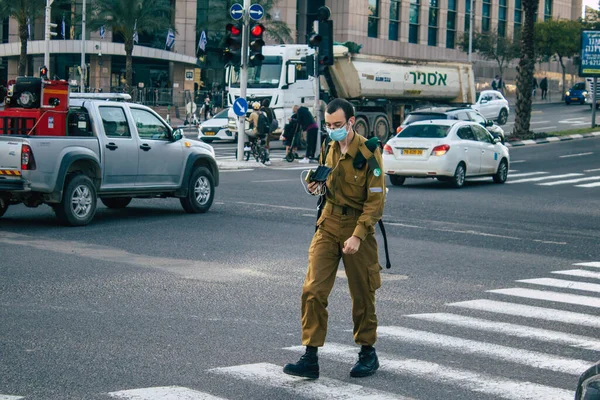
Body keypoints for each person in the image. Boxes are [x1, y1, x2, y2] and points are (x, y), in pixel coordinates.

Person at [283, 98, 386, 380]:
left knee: (362, 292)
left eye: (338, 125)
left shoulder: (369, 153)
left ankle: (367, 352)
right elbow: (326, 181)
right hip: (328, 222)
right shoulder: (329, 146)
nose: (332, 130)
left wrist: (357, 235)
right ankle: (310, 356)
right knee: (313, 290)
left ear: (351, 122)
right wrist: (316, 184)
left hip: (357, 226)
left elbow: (376, 203)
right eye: (328, 125)